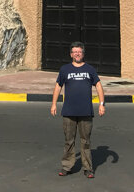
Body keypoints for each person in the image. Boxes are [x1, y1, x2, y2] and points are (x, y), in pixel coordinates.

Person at [50, 41, 105, 178]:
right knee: (69, 140)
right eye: (75, 52)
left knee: (85, 141)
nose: (77, 54)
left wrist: (102, 104)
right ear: (71, 54)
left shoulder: (90, 69)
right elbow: (58, 86)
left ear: (83, 54)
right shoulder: (65, 69)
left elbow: (98, 86)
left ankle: (88, 168)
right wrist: (53, 104)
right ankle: (67, 166)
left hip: (86, 111)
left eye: (79, 52)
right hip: (69, 112)